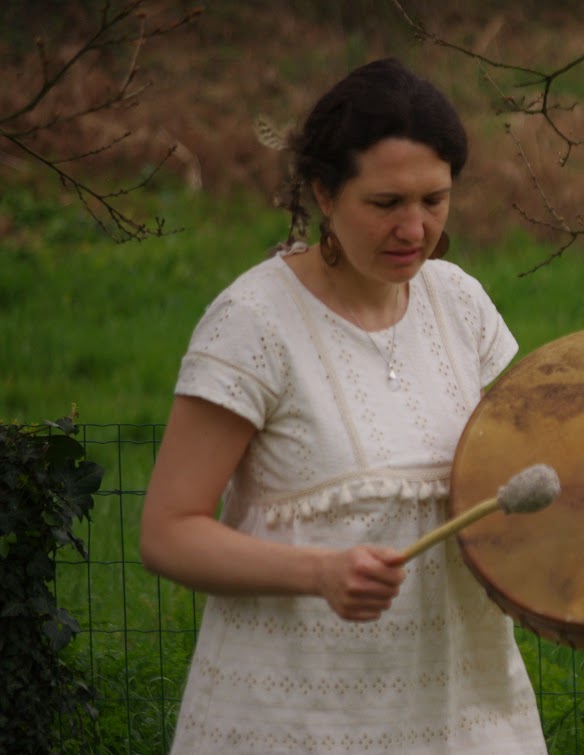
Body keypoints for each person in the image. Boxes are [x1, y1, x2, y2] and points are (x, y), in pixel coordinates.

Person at [140, 58, 548, 754]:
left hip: (461, 710)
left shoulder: (461, 304)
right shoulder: (254, 321)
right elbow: (167, 531)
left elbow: (512, 475)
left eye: (435, 200)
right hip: (296, 718)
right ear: (325, 194)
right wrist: (318, 572)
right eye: (387, 204)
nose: (415, 229)